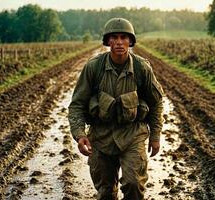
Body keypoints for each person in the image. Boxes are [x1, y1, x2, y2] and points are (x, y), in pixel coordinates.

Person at [68, 17, 164, 200]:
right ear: (108, 41)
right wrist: (80, 135)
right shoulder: (93, 68)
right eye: (114, 38)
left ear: (130, 41)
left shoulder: (141, 68)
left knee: (134, 185)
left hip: (133, 135)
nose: (119, 42)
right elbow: (77, 105)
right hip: (101, 137)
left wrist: (155, 135)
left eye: (123, 37)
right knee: (105, 192)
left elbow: (156, 103)